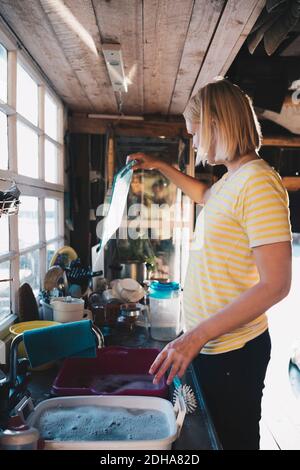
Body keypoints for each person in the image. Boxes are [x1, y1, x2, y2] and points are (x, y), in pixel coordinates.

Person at [127, 77, 292, 450]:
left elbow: (277, 285)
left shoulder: (259, 183)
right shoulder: (230, 181)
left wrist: (195, 337)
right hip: (209, 345)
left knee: (232, 441)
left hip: (232, 349)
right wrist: (159, 165)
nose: (196, 143)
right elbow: (203, 194)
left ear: (218, 123)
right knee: (208, 438)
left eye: (196, 133)